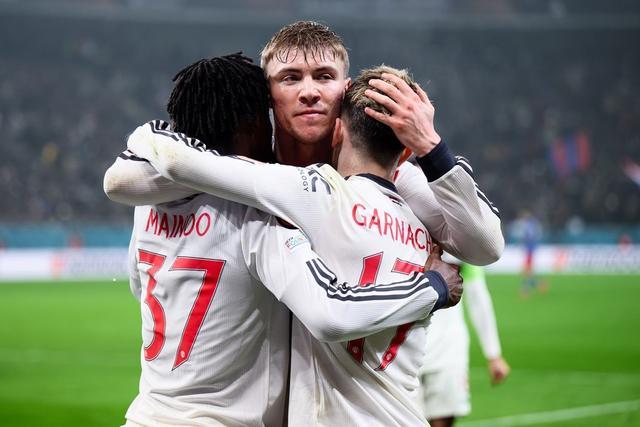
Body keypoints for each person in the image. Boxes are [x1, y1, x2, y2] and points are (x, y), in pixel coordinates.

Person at [122, 64, 483, 426]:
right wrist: (433, 286)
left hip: (146, 415)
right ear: (253, 125)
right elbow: (329, 311)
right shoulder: (259, 217)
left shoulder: (148, 206)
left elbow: (139, 285)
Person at [417, 263, 510, 427]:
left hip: (448, 350)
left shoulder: (464, 248)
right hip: (404, 350)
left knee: (443, 420)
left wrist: (493, 354)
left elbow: (478, 298)